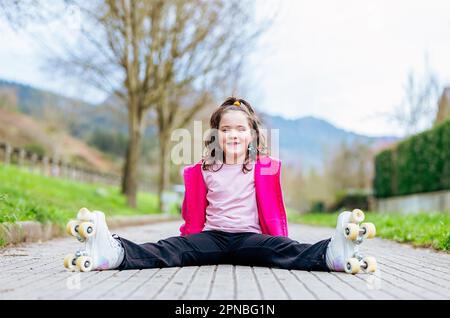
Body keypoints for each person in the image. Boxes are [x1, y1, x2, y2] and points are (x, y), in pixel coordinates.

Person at [64, 97, 377, 275]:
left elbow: (276, 212)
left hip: (250, 239)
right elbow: (191, 217)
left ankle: (332, 254)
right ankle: (114, 252)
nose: (233, 135)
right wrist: (187, 240)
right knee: (168, 249)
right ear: (216, 135)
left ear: (252, 134)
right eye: (226, 129)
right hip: (212, 239)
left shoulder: (265, 168)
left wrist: (276, 237)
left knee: (288, 251)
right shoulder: (203, 170)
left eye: (240, 129)